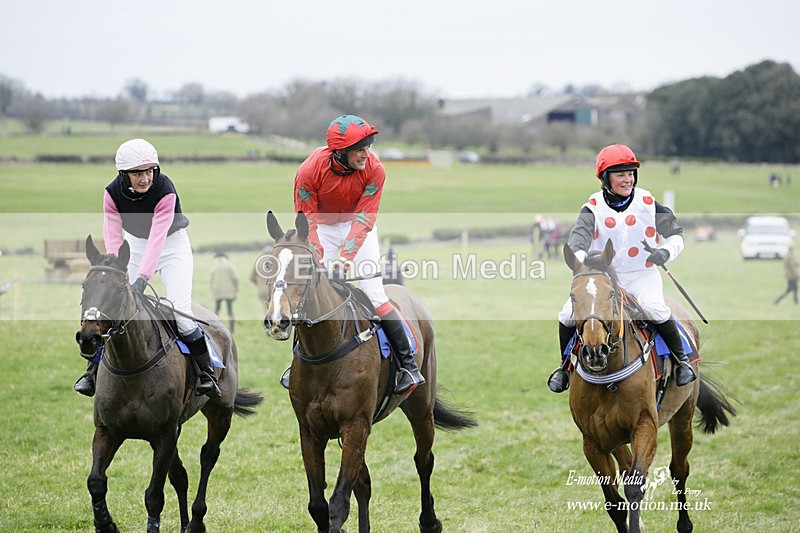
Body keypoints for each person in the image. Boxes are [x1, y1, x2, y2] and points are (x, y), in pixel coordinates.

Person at [289, 114, 425, 395]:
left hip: (358, 226)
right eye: (360, 149)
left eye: (368, 147)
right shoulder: (308, 171)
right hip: (322, 229)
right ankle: (297, 366)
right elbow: (307, 222)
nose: (367, 154)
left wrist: (344, 261)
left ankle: (407, 365)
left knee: (375, 295)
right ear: (339, 152)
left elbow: (364, 219)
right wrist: (321, 259)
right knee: (312, 294)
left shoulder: (375, 169)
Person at [73, 138, 220, 398]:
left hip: (172, 246)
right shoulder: (111, 193)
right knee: (112, 308)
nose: (146, 179)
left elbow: (157, 238)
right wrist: (117, 269)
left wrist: (142, 278)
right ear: (124, 175)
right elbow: (114, 237)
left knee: (181, 313)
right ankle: (91, 372)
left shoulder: (165, 189)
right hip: (134, 246)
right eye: (138, 173)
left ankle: (207, 373)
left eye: (150, 171)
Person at [547, 143, 697, 393]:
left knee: (654, 307)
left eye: (631, 174)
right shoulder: (592, 208)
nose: (628, 180)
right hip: (605, 277)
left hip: (642, 275)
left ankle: (682, 362)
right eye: (621, 175)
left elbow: (676, 234)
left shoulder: (648, 202)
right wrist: (587, 265)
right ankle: (564, 368)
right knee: (566, 315)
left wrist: (665, 251)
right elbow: (577, 242)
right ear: (606, 179)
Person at [210, 252, 239, 332]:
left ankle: (214, 326)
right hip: (229, 291)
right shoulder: (229, 266)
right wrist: (236, 289)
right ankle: (232, 328)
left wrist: (213, 289)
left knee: (217, 309)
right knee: (230, 310)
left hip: (217, 291)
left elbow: (211, 280)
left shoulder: (214, 266)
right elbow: (235, 278)